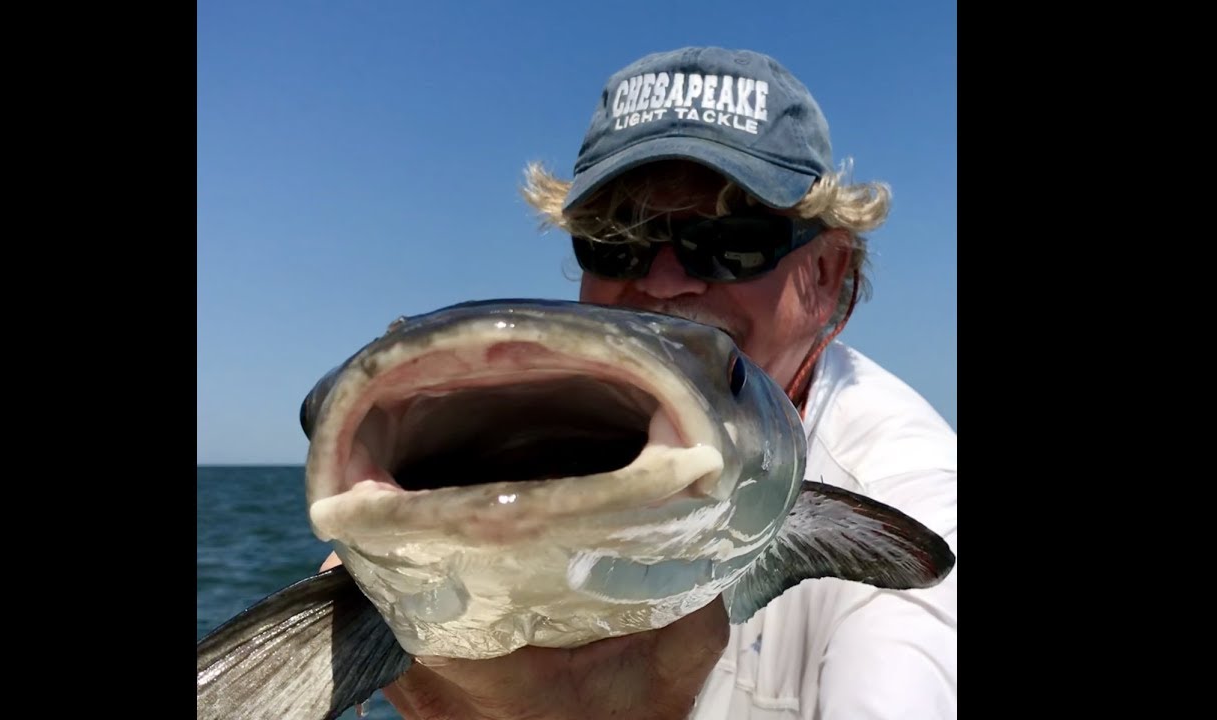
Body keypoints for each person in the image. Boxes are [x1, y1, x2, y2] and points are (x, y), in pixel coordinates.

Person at [323, 45, 957, 720]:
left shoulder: (912, 498)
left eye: (734, 241)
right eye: (616, 241)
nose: (662, 281)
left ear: (827, 273)